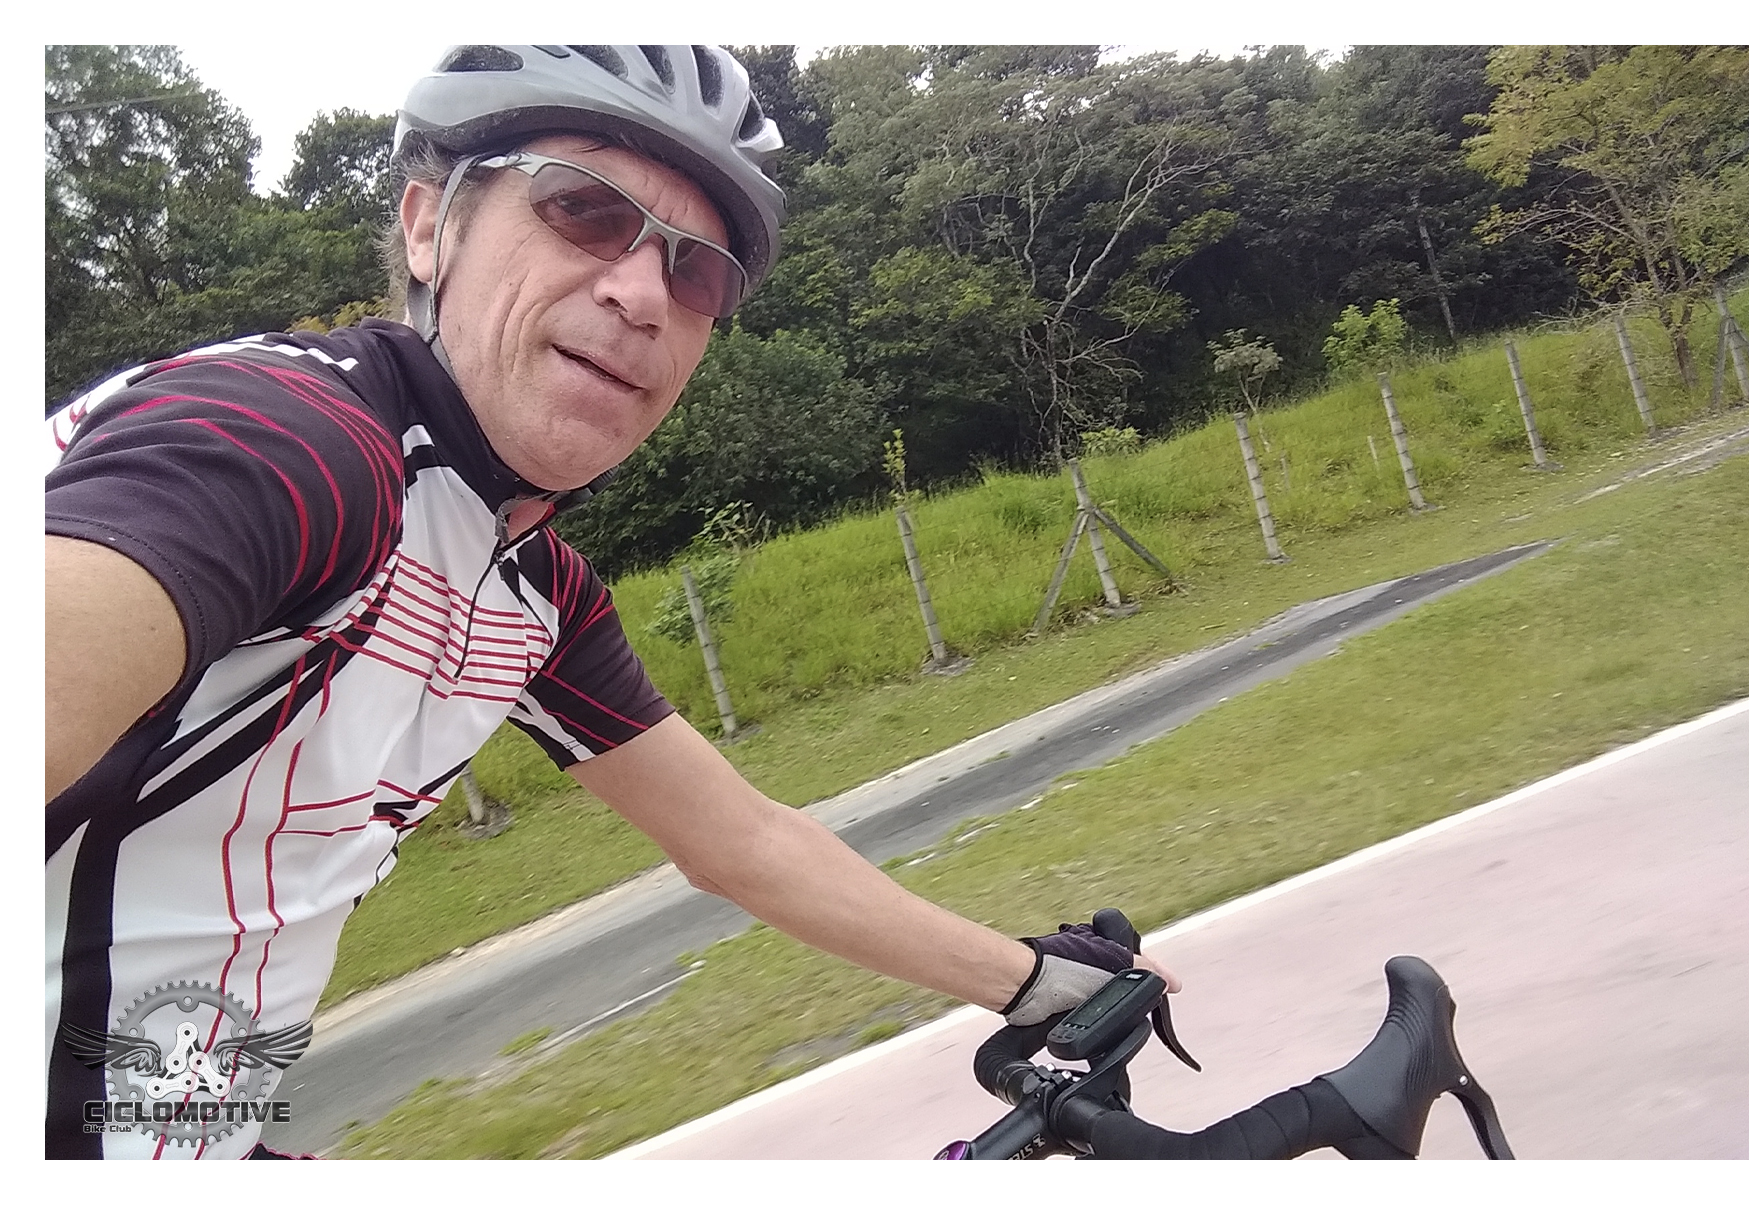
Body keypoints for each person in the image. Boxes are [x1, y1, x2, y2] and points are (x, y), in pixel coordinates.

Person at [45, 45, 1503, 1161]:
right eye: (583, 211)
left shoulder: (523, 581)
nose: (640, 291)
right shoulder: (290, 450)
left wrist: (1034, 987)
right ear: (431, 225)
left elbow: (743, 843)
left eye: (697, 270)